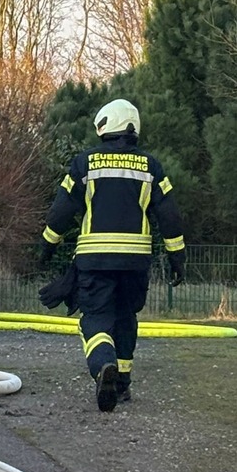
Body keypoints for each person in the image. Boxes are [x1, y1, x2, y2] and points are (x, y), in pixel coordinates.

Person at [39, 98, 186, 413]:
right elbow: (169, 215)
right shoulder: (150, 166)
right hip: (136, 262)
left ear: (105, 125)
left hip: (95, 260)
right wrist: (177, 256)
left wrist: (48, 245)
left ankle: (103, 365)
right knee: (125, 318)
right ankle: (121, 384)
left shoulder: (85, 163)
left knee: (95, 318)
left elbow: (63, 209)